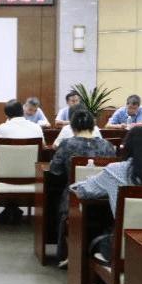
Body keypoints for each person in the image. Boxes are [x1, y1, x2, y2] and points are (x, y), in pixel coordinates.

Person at [72, 126, 142, 260]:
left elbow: (82, 191)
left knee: (96, 232)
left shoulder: (115, 171)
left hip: (126, 247)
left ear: (127, 147)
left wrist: (88, 181)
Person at [49, 109, 116, 267]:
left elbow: (55, 170)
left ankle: (67, 252)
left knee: (57, 198)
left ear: (72, 127)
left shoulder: (67, 144)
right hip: (103, 199)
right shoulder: (107, 146)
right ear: (93, 126)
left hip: (75, 197)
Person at [0, 100, 46, 223]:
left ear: (6, 115)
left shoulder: (2, 128)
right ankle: (12, 209)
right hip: (32, 175)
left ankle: (10, 209)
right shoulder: (36, 127)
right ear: (23, 111)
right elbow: (43, 146)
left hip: (5, 175)